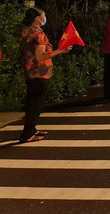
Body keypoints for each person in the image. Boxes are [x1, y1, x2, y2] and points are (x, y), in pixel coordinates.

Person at [19, 7, 73, 143]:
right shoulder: (38, 34)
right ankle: (27, 135)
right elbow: (40, 56)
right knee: (35, 105)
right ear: (37, 18)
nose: (45, 18)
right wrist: (60, 50)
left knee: (33, 103)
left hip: (31, 72)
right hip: (39, 73)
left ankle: (31, 129)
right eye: (43, 16)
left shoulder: (27, 32)